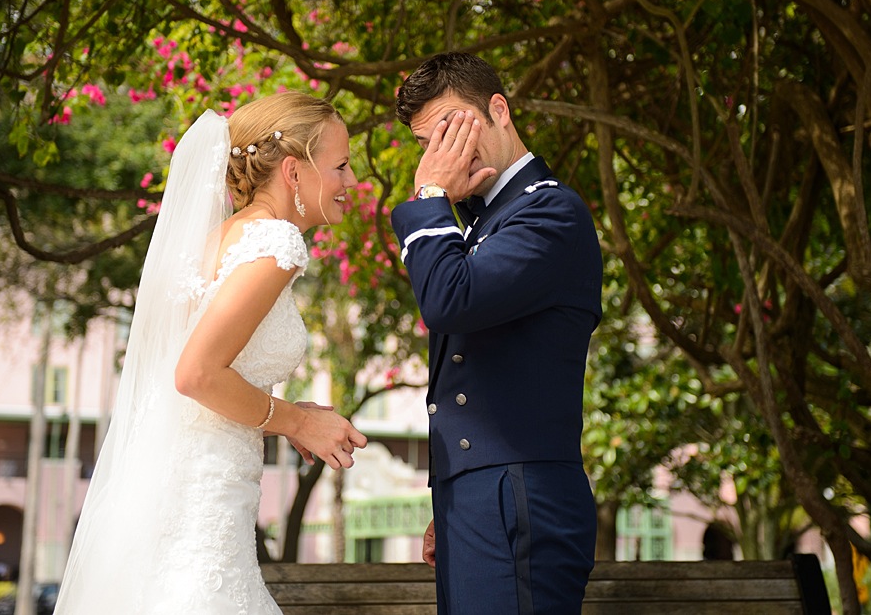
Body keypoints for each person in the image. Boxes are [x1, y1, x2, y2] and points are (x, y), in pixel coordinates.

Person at [54, 91, 367, 614]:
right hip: (200, 508)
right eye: (340, 165)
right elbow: (196, 375)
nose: (351, 181)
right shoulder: (276, 246)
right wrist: (295, 421)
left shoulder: (218, 240)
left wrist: (284, 419)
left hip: (180, 489)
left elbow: (198, 391)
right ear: (294, 172)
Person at [390, 52, 603, 615]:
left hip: (521, 496)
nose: (444, 154)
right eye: (429, 143)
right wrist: (458, 491)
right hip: (481, 497)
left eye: (454, 128)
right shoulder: (486, 219)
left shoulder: (550, 212)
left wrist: (430, 197)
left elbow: (449, 300)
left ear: (498, 109)